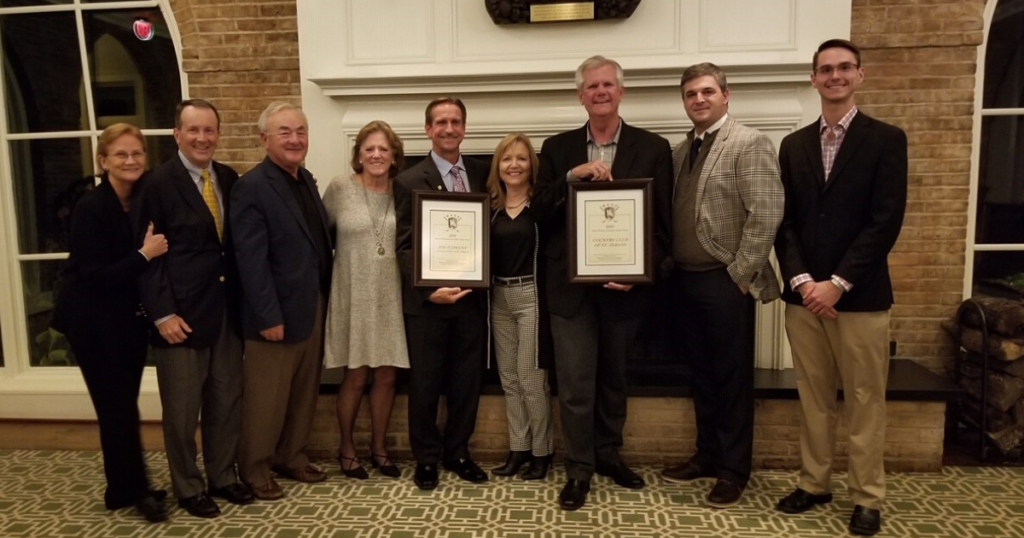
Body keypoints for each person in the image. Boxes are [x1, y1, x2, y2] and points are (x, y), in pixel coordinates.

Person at [774, 39, 907, 537]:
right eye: (825, 69)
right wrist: (805, 281)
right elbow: (783, 223)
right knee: (813, 398)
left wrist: (838, 283)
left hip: (861, 297)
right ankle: (814, 484)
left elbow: (884, 221)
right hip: (803, 297)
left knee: (865, 399)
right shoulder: (794, 145)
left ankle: (868, 496)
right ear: (813, 79)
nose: (835, 75)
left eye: (844, 67)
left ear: (859, 75)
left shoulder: (886, 139)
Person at [533, 56, 673, 510]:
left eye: (608, 84)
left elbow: (660, 224)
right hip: (569, 290)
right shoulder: (557, 150)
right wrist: (572, 177)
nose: (600, 91)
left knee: (614, 378)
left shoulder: (652, 148)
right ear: (580, 95)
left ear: (621, 91)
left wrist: (640, 273)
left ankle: (609, 454)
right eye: (591, 86)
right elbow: (539, 212)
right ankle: (579, 468)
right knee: (574, 383)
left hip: (622, 288)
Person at [658, 63, 784, 509]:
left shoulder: (749, 143)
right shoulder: (678, 152)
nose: (699, 99)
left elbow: (767, 212)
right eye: (691, 93)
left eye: (707, 91)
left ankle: (733, 471)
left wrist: (740, 276)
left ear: (725, 95)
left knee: (731, 381)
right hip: (685, 282)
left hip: (725, 281)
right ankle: (707, 455)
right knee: (702, 378)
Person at [136, 99, 253, 518]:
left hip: (225, 313)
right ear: (177, 134)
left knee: (226, 401)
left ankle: (223, 476)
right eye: (194, 130)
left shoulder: (227, 177)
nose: (203, 138)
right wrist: (162, 314)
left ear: (218, 134)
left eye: (209, 130)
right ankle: (188, 485)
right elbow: (146, 257)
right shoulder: (156, 184)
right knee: (183, 412)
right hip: (180, 318)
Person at [52, 123, 169, 523]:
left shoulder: (139, 200)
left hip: (124, 320)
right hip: (91, 321)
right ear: (103, 161)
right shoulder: (92, 208)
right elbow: (95, 276)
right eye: (121, 154)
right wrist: (144, 254)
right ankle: (136, 492)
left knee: (121, 407)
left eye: (137, 153)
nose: (131, 160)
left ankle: (120, 489)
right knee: (117, 409)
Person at [230, 102, 333, 500]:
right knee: (266, 399)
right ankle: (255, 469)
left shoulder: (304, 178)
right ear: (264, 139)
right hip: (273, 313)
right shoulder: (252, 187)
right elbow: (250, 262)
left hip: (310, 304)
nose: (295, 139)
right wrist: (267, 315)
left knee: (303, 391)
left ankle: (292, 454)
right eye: (285, 132)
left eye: (301, 131)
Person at [394, 97, 490, 490]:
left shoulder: (485, 175)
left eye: (455, 121)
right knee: (426, 385)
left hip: (472, 300)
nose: (448, 129)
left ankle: (459, 452)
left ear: (465, 128)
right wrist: (427, 291)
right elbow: (403, 245)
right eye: (440, 122)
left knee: (467, 382)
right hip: (429, 305)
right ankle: (427, 458)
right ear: (427, 129)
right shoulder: (408, 179)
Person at [322, 120, 410, 480]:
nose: (376, 155)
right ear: (358, 153)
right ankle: (346, 447)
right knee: (355, 375)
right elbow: (317, 237)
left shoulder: (402, 190)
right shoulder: (340, 188)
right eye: (369, 148)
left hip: (391, 294)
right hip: (352, 293)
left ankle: (379, 448)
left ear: (394, 156)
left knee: (386, 376)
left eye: (383, 149)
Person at [486, 133, 554, 481]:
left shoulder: (539, 207)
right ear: (498, 165)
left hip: (531, 298)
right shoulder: (490, 209)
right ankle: (518, 449)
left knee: (531, 379)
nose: (514, 165)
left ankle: (542, 452)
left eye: (521, 159)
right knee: (509, 380)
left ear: (531, 166)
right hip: (498, 298)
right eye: (507, 158)